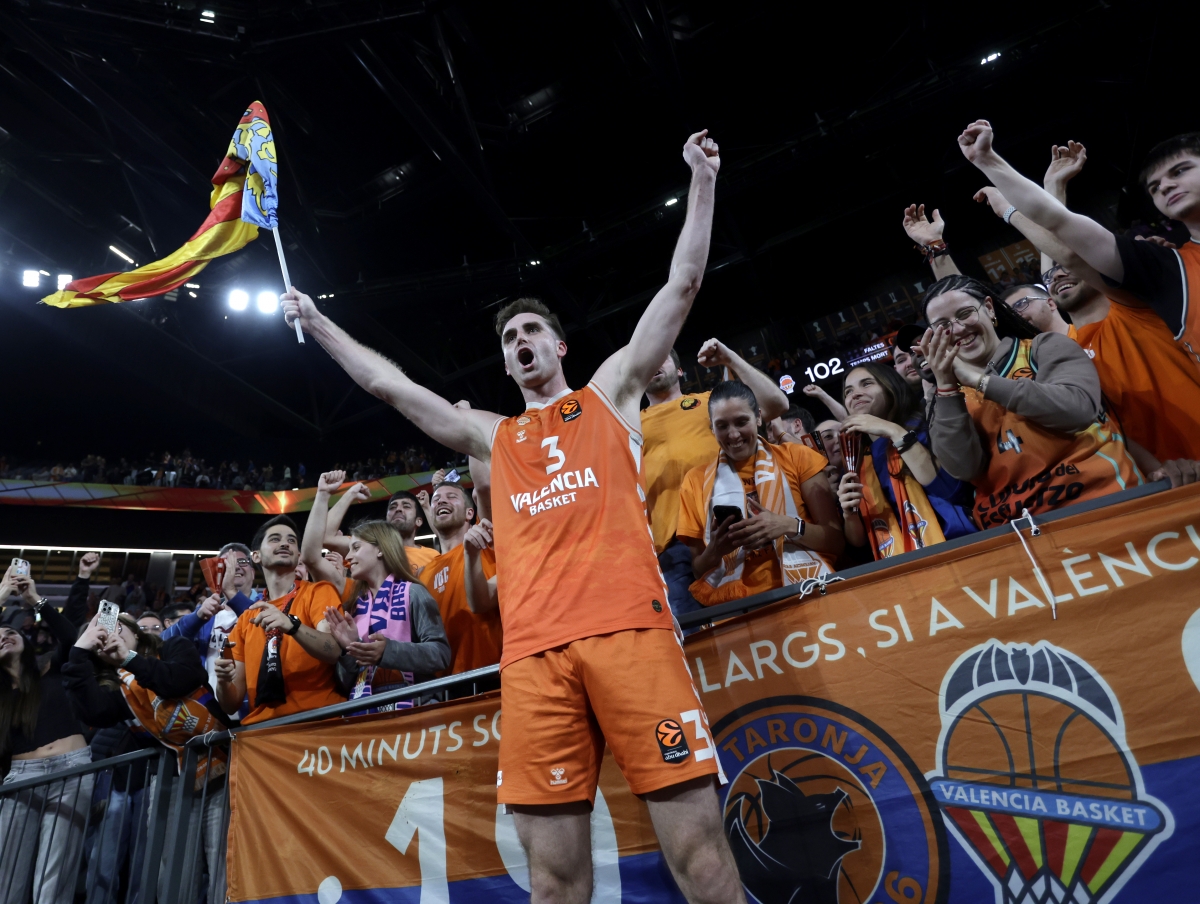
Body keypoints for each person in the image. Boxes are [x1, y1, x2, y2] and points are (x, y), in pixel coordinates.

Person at [282, 130, 746, 904]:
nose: (520, 341)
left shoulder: (610, 395)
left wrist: (701, 180)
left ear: (559, 345)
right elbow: (393, 389)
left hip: (630, 634)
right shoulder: (492, 436)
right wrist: (320, 324)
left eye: (531, 331)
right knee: (556, 882)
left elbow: (685, 282)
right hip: (533, 661)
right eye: (508, 338)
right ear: (503, 365)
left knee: (700, 860)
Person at [971, 151, 1200, 482]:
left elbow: (1067, 254)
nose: (1058, 276)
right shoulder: (1064, 354)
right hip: (1157, 482)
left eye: (1068, 270)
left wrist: (1011, 211)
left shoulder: (1133, 308)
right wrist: (1052, 187)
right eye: (1050, 278)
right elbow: (1056, 264)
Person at [957, 121, 1200, 368]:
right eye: (1155, 187)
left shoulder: (1133, 303)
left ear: (1049, 303)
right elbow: (1056, 250)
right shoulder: (1061, 361)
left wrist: (1009, 208)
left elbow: (1065, 249)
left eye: (1180, 171)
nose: (1166, 186)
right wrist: (1051, 188)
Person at [919, 275, 1143, 527]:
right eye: (943, 325)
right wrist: (947, 388)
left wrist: (979, 380)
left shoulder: (1044, 347)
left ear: (990, 309)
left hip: (1105, 506)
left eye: (965, 313)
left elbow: (1077, 410)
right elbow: (964, 468)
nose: (958, 329)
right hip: (1018, 535)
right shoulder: (947, 396)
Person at [63, 613, 221, 904]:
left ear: (135, 631)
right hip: (171, 781)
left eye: (115, 626)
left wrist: (128, 659)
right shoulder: (118, 688)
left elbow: (182, 680)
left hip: (222, 766)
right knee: (174, 871)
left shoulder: (173, 646)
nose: (108, 635)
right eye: (98, 638)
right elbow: (94, 712)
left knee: (223, 862)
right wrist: (78, 654)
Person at [642, 338, 788, 620]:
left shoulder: (710, 402)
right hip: (677, 546)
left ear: (680, 370)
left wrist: (730, 359)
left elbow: (776, 404)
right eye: (649, 359)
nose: (655, 364)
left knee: (764, 623)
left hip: (738, 525)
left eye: (663, 356)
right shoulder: (627, 423)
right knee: (698, 639)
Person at [677, 380, 843, 605]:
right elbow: (699, 571)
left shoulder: (798, 457)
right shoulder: (694, 481)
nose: (733, 434)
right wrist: (716, 550)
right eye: (722, 426)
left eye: (741, 421)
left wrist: (787, 526)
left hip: (806, 593)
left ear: (758, 417)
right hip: (737, 608)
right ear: (711, 428)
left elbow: (836, 541)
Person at [301, 475, 450, 706]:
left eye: (356, 548)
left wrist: (387, 652)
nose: (348, 557)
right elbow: (345, 681)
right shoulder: (353, 600)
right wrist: (349, 650)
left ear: (380, 550)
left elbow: (441, 654)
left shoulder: (414, 593)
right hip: (365, 714)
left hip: (415, 713)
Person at [0, 567, 92, 904]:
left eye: (10, 630)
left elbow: (72, 636)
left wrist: (35, 600)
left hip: (71, 772)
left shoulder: (48, 667)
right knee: (6, 879)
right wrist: (1, 595)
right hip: (21, 779)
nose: (4, 634)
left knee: (52, 883)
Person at [835, 363, 976, 558]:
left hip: (960, 547)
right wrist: (849, 513)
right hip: (903, 567)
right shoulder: (855, 462)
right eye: (848, 391)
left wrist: (895, 431)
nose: (855, 394)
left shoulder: (926, 426)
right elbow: (859, 542)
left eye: (866, 384)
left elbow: (950, 491)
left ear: (890, 386)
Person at [212, 516, 344, 724]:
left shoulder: (319, 592)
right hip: (264, 735)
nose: (285, 543)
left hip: (318, 723)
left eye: (292, 541)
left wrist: (292, 625)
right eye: (275, 539)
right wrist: (223, 681)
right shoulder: (247, 619)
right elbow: (230, 704)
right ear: (256, 556)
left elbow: (334, 650)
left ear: (298, 554)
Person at [413, 480, 503, 677]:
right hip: (444, 686)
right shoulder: (422, 574)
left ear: (470, 513)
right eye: (436, 499)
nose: (442, 501)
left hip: (493, 674)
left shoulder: (485, 541)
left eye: (451, 497)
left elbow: (484, 483)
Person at [162, 542, 259, 708]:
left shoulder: (266, 606)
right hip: (209, 712)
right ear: (217, 573)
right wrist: (197, 617)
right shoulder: (205, 614)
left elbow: (267, 633)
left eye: (241, 562)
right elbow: (164, 642)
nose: (234, 567)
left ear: (253, 572)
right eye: (226, 564)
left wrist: (232, 595)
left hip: (252, 708)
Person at [320, 482, 439, 573]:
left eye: (406, 506)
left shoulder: (433, 556)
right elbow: (324, 537)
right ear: (387, 519)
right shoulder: (370, 546)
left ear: (418, 521)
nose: (398, 509)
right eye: (392, 507)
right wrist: (350, 494)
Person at [1000, 284, 1071, 337]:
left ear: (1050, 304)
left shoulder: (1081, 334)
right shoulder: (1028, 356)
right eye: (1010, 313)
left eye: (1020, 304)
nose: (1015, 315)